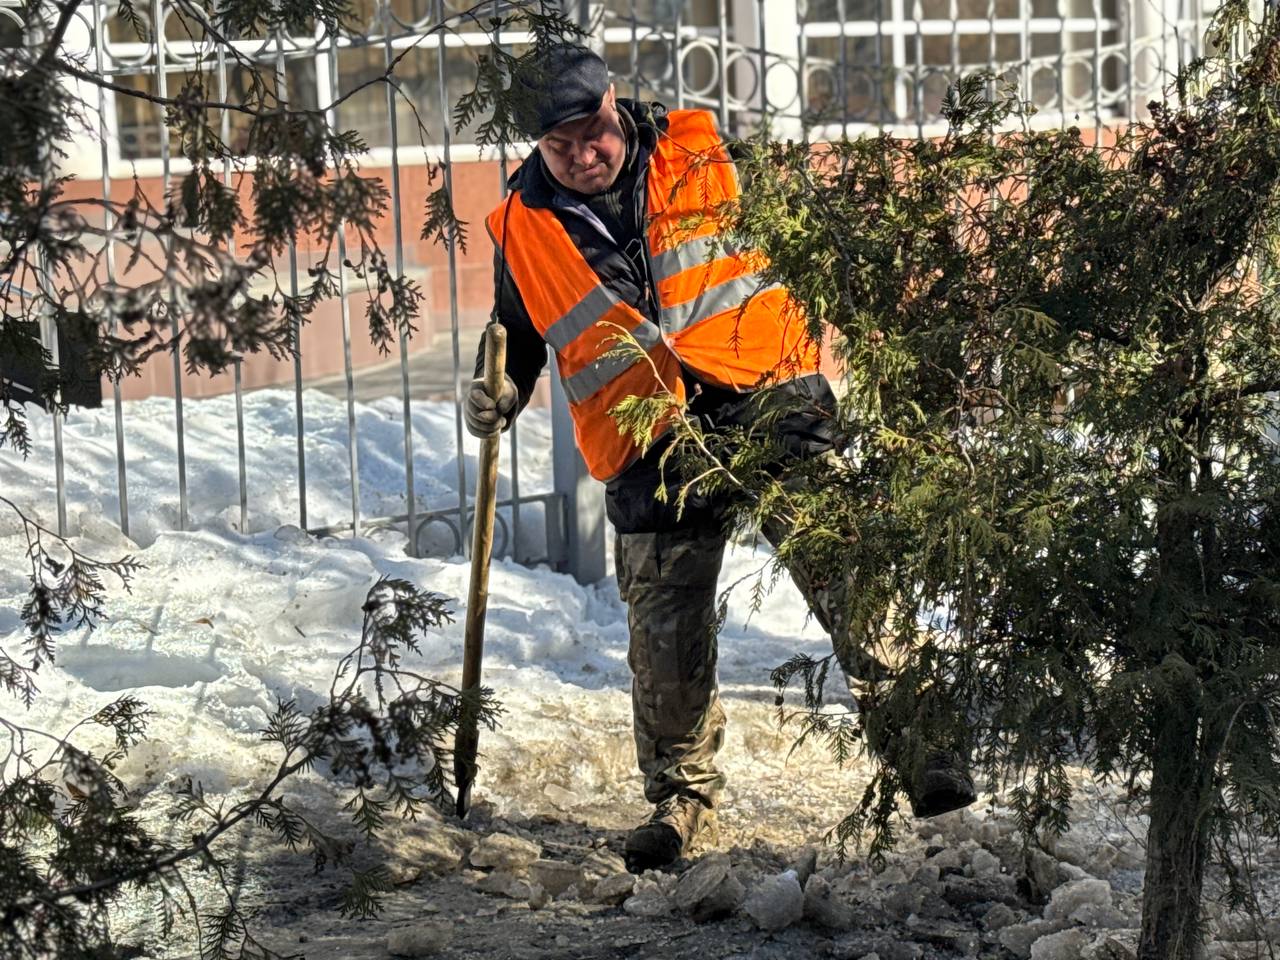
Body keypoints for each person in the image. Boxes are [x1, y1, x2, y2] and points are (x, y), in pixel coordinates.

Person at [465, 44, 975, 873]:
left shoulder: (703, 152)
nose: (583, 155)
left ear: (614, 101)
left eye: (591, 132)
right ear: (535, 146)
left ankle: (928, 752)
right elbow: (518, 338)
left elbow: (805, 239)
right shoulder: (523, 226)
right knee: (664, 638)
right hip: (645, 437)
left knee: (849, 572)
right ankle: (679, 803)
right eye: (559, 145)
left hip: (766, 393)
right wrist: (503, 394)